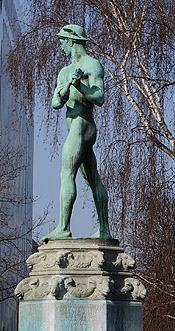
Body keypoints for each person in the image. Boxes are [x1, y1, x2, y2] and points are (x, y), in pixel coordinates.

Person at [44, 24, 111, 242]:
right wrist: (65, 89)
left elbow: (99, 97)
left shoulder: (92, 65)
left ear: (72, 41)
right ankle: (104, 230)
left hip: (83, 124)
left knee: (66, 174)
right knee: (93, 179)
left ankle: (63, 228)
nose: (61, 46)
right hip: (74, 126)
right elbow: (55, 102)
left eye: (63, 41)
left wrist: (80, 86)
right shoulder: (64, 72)